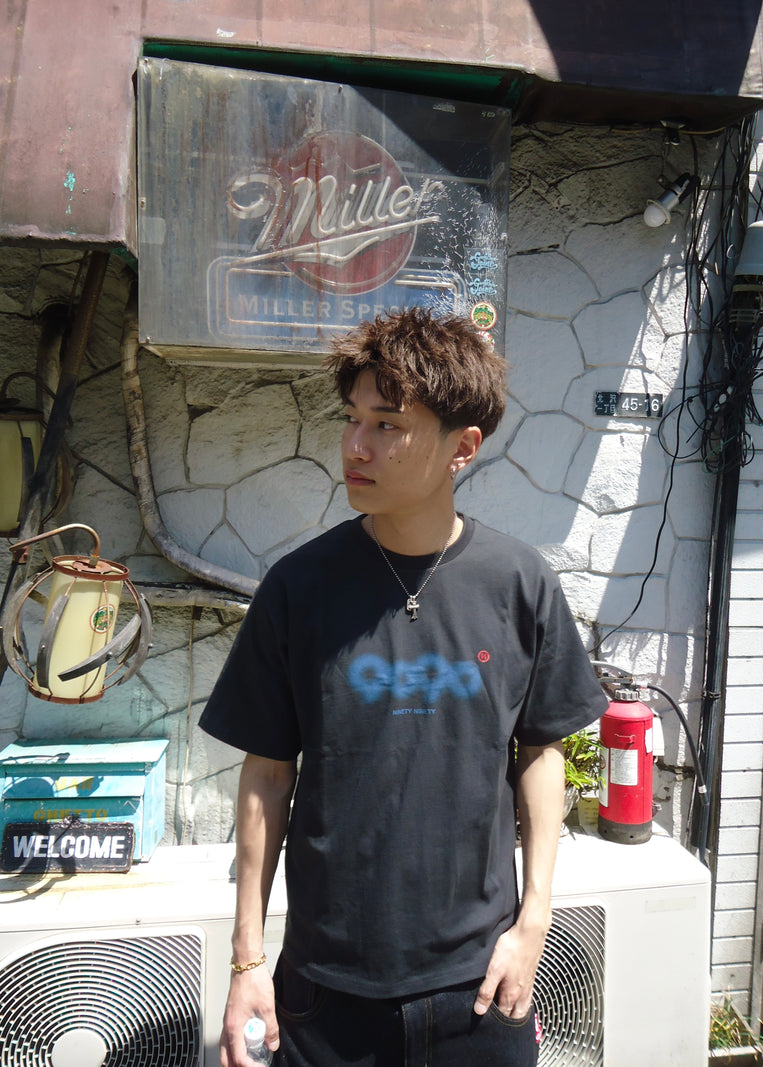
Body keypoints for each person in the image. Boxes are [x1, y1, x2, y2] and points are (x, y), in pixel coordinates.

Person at [199, 308, 607, 1067]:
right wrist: (248, 958)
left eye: (387, 424)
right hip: (326, 991)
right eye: (353, 419)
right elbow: (266, 775)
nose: (356, 445)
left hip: (481, 985)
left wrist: (534, 924)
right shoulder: (298, 587)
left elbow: (541, 751)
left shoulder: (519, 583)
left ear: (463, 447)